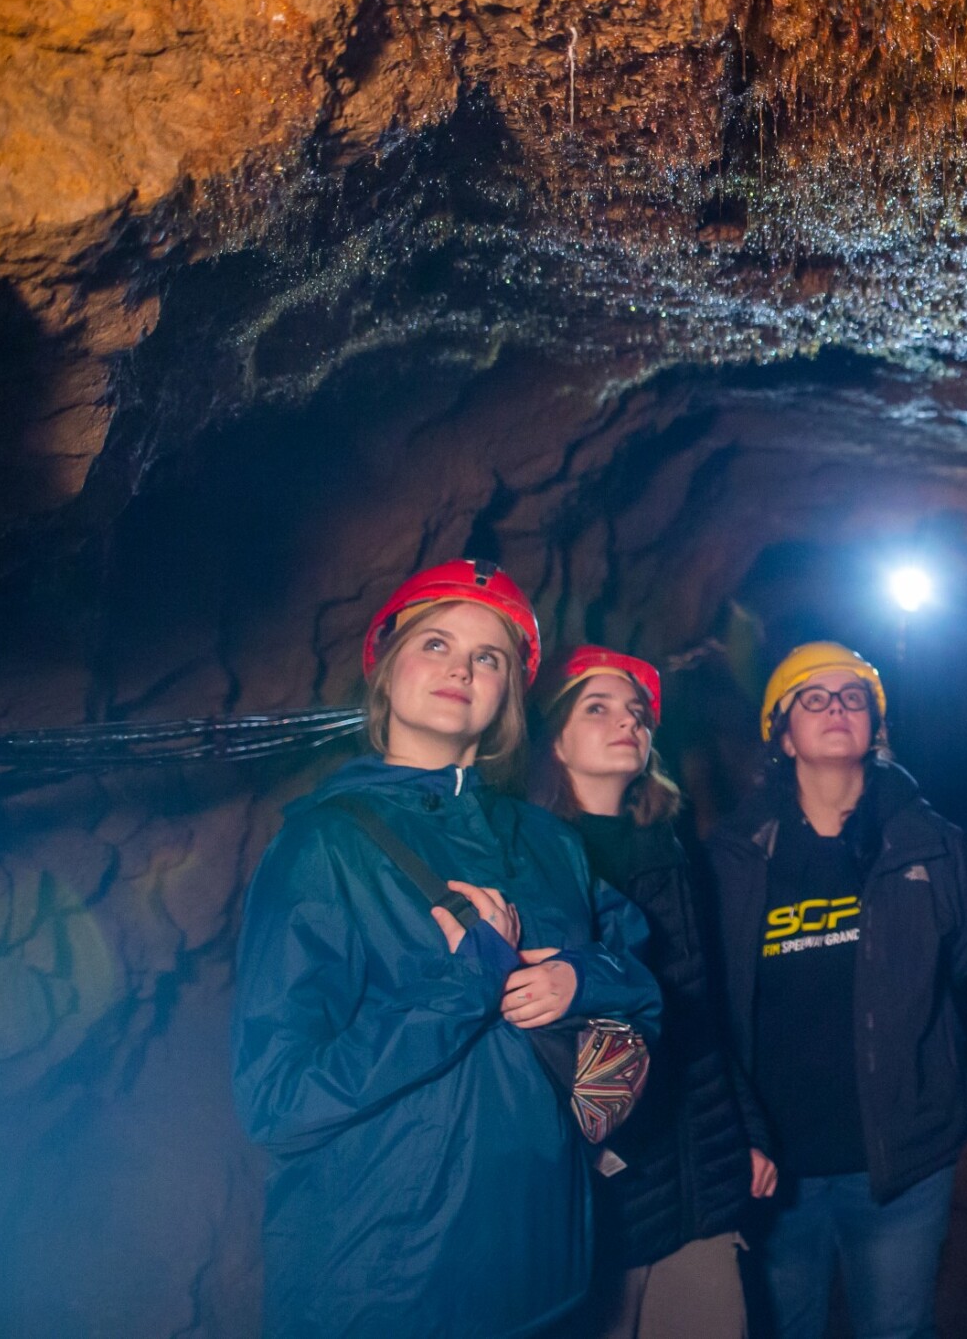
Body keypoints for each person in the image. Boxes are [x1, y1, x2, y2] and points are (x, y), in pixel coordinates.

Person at [231, 561, 663, 1339]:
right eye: (436, 642)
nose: (462, 667)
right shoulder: (322, 848)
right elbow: (277, 1100)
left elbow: (643, 976)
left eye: (489, 656)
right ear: (386, 667)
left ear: (507, 697)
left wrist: (579, 979)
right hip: (387, 1290)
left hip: (547, 1277)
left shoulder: (548, 844)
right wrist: (463, 985)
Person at [708, 642, 967, 1339]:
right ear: (784, 734)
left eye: (852, 697)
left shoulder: (929, 845)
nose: (836, 709)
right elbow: (711, 1003)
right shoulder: (732, 857)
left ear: (875, 726)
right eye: (814, 699)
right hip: (775, 1165)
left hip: (899, 1161)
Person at [529, 645, 755, 1339]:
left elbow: (703, 1013)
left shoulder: (669, 849)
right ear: (556, 742)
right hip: (603, 1196)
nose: (627, 721)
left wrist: (745, 1132)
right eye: (597, 708)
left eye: (637, 712)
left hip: (699, 1178)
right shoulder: (529, 862)